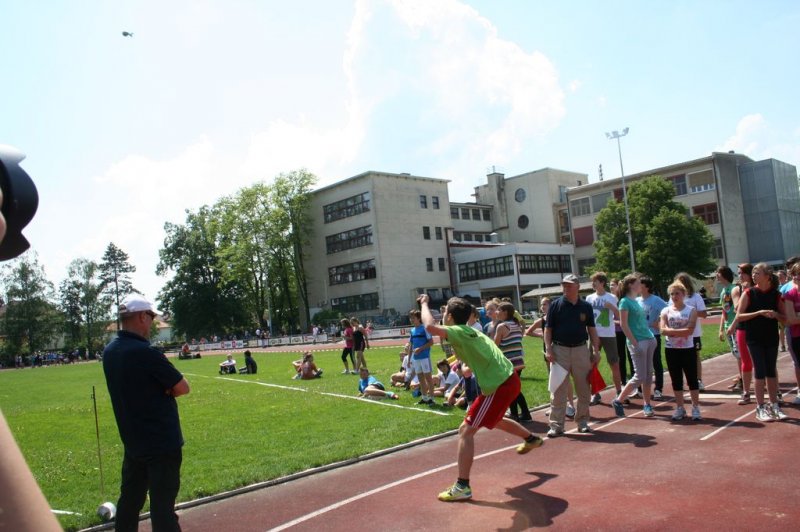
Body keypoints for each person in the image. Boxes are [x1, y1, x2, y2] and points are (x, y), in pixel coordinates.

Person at [419, 294, 544, 502]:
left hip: (500, 385)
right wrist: (466, 366)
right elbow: (484, 354)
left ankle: (462, 486)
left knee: (466, 431)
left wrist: (424, 303)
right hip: (507, 380)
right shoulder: (472, 332)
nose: (442, 317)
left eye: (443, 314)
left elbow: (430, 328)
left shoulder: (458, 331)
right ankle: (532, 439)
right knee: (492, 419)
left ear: (449, 317)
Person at [102, 294, 190, 531]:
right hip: (161, 442)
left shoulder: (110, 352)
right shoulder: (146, 352)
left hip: (133, 441)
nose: (151, 323)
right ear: (142, 316)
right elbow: (183, 387)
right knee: (163, 508)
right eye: (151, 317)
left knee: (129, 502)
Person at [728, 263, 787, 421]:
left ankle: (774, 405)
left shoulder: (776, 294)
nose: (754, 275)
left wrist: (775, 315)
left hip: (771, 337)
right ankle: (760, 407)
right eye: (753, 273)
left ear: (767, 276)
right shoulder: (748, 293)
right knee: (759, 371)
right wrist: (759, 313)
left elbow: (785, 317)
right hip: (754, 338)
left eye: (757, 273)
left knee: (771, 371)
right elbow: (739, 316)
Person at [544, 274, 600, 436]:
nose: (565, 288)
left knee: (583, 388)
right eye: (564, 285)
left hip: (581, 350)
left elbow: (592, 330)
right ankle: (556, 425)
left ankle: (582, 421)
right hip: (560, 350)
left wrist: (596, 350)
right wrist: (548, 349)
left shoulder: (586, 307)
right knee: (558, 389)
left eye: (569, 285)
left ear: (578, 287)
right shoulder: (555, 305)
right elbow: (548, 330)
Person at [611, 274, 657, 418]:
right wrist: (634, 342)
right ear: (631, 285)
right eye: (638, 283)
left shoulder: (635, 301)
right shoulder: (624, 302)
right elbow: (624, 325)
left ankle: (647, 404)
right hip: (638, 341)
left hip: (648, 338)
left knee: (649, 374)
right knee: (640, 376)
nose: (641, 285)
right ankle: (619, 400)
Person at [660, 281, 701, 420]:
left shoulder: (691, 310)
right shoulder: (665, 311)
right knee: (676, 380)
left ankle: (695, 407)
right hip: (671, 350)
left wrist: (672, 332)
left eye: (677, 293)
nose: (674, 296)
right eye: (672, 294)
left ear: (683, 294)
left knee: (692, 379)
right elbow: (662, 330)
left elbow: (689, 331)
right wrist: (676, 332)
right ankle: (680, 407)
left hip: (687, 349)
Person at [585, 272, 622, 404]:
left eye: (595, 281)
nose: (593, 283)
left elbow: (619, 315)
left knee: (614, 363)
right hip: (594, 334)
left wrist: (611, 307)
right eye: (592, 281)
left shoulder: (612, 297)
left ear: (602, 283)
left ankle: (619, 392)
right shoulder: (589, 298)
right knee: (592, 364)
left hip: (609, 334)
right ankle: (595, 393)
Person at [493, 301, 532, 422]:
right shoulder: (516, 325)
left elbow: (495, 346)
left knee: (513, 390)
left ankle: (525, 414)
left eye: (498, 310)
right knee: (513, 389)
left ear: (505, 312)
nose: (496, 312)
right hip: (518, 362)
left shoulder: (502, 326)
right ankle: (515, 414)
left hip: (508, 364)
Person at [675, 273, 708, 391]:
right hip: (679, 333)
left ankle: (698, 380)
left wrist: (690, 312)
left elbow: (704, 314)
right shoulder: (674, 297)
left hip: (693, 333)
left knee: (695, 356)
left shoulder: (695, 297)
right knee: (680, 358)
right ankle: (683, 381)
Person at [637, 276, 668, 400]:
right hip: (639, 336)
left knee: (655, 362)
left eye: (641, 284)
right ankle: (639, 389)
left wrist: (660, 322)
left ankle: (658, 389)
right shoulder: (637, 300)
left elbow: (668, 311)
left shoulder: (655, 300)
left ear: (647, 287)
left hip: (653, 335)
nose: (638, 286)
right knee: (641, 364)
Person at [728, 263, 755, 405]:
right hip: (743, 327)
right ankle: (746, 392)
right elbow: (737, 308)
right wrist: (745, 291)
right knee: (746, 361)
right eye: (739, 273)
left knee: (764, 359)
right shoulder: (736, 290)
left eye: (743, 273)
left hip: (759, 327)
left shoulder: (760, 288)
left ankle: (775, 391)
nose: (740, 276)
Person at [716, 266, 742, 392]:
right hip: (728, 326)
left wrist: (732, 324)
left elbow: (738, 309)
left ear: (724, 274)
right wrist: (720, 329)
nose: (716, 275)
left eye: (718, 273)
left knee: (740, 354)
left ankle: (743, 378)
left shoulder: (733, 289)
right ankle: (742, 377)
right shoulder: (723, 291)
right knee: (736, 354)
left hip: (735, 326)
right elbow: (724, 311)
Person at [781, 258, 800, 405]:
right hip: (795, 333)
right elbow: (790, 318)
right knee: (797, 362)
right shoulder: (788, 291)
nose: (796, 276)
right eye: (794, 273)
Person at [408, 309, 435, 405]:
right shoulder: (412, 330)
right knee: (420, 379)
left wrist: (420, 349)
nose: (411, 320)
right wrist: (409, 358)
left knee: (428, 378)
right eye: (410, 318)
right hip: (416, 358)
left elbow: (431, 342)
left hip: (424, 357)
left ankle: (432, 398)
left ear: (419, 318)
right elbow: (411, 345)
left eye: (413, 318)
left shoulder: (425, 328)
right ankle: (424, 398)